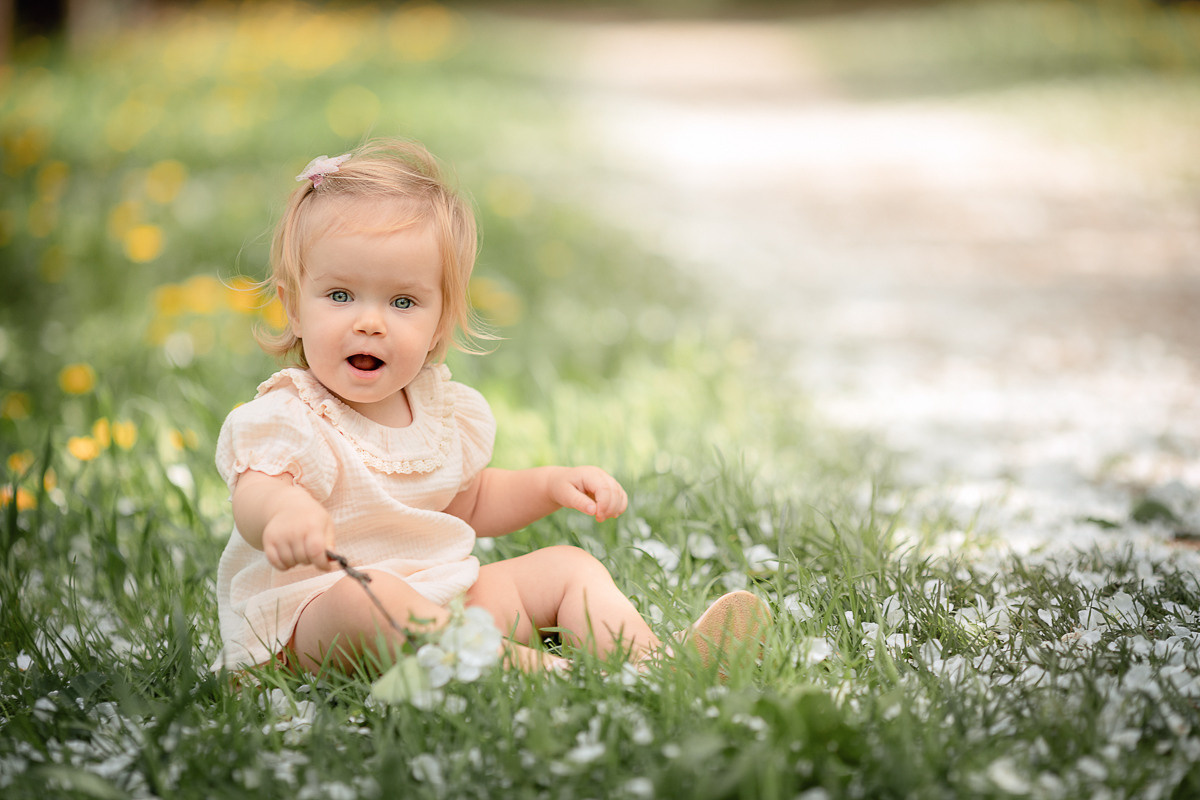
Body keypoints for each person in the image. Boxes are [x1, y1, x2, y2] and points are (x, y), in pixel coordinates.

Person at [212, 138, 769, 676]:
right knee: (373, 600)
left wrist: (550, 484)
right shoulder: (291, 415)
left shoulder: (438, 412)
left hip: (441, 596)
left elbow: (471, 500)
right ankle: (548, 674)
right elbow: (256, 491)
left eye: (402, 301)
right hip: (315, 622)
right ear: (292, 306)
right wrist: (283, 514)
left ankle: (653, 666)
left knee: (567, 568)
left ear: (439, 324)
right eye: (340, 296)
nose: (369, 321)